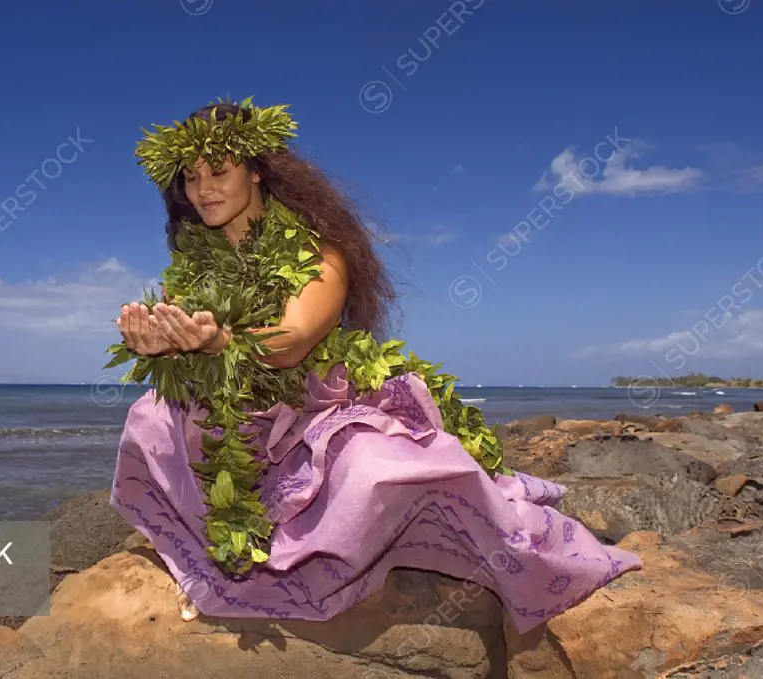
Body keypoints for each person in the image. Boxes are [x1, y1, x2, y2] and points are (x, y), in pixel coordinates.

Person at [109, 99, 641, 632]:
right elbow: (195, 353)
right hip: (235, 411)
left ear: (255, 170)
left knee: (373, 471)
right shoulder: (195, 265)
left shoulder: (322, 251)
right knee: (151, 416)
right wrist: (164, 349)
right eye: (191, 177)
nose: (203, 189)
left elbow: (291, 341)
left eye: (219, 171)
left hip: (314, 403)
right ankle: (221, 546)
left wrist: (220, 338)